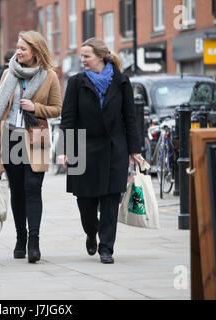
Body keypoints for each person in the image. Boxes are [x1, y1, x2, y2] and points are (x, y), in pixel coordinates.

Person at [58, 38, 142, 264]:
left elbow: (130, 118)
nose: (83, 60)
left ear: (101, 57)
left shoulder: (121, 81)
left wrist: (135, 149)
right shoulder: (76, 83)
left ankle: (107, 248)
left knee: (110, 200)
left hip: (114, 148)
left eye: (87, 56)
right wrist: (63, 149)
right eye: (81, 56)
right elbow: (68, 118)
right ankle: (91, 232)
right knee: (85, 203)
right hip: (81, 147)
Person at [0, 31, 62, 263]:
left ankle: (34, 242)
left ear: (35, 51)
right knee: (17, 189)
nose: (18, 51)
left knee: (33, 188)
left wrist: (35, 107)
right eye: (17, 47)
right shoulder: (9, 73)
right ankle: (20, 238)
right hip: (10, 137)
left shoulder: (49, 77)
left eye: (23, 49)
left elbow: (57, 108)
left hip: (36, 136)